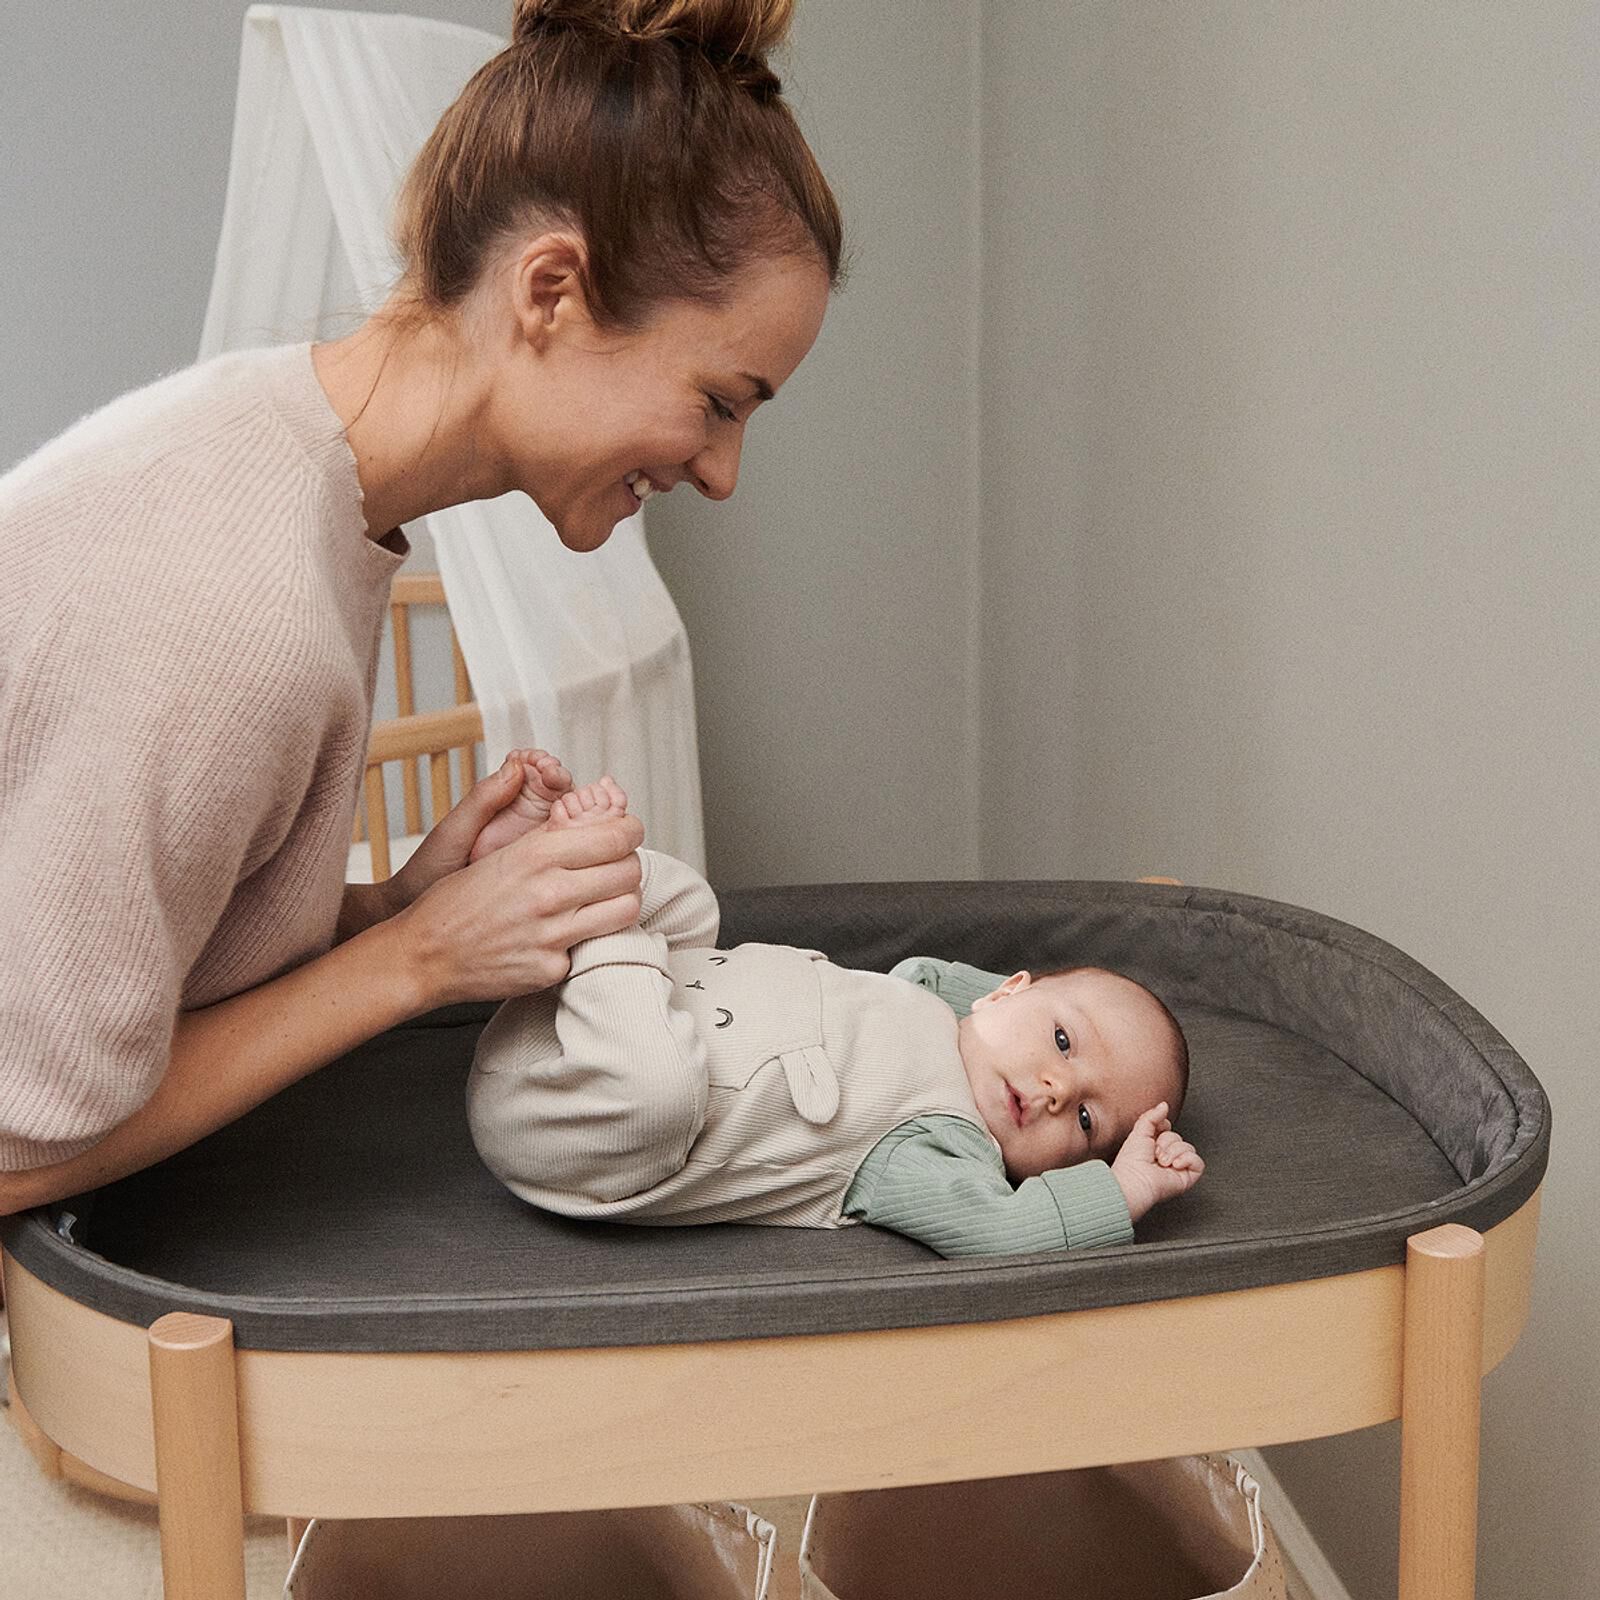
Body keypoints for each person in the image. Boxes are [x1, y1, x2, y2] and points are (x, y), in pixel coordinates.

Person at [0, 0, 842, 1214]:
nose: (721, 472)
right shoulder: (235, 603)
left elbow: (113, 954)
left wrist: (394, 906)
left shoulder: (285, 463)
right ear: (550, 288)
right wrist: (415, 960)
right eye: (720, 399)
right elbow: (21, 1146)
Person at [466, 759, 1204, 1257]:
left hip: (569, 1119)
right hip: (564, 1011)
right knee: (692, 904)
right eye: (1066, 1043)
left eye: (1085, 1122)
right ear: (1005, 989)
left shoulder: (935, 1150)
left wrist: (1125, 1189)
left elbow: (1001, 1232)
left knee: (661, 1091)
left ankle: (590, 904)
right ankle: (546, 876)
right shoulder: (934, 1001)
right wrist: (992, 1012)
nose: (1055, 1090)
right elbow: (963, 991)